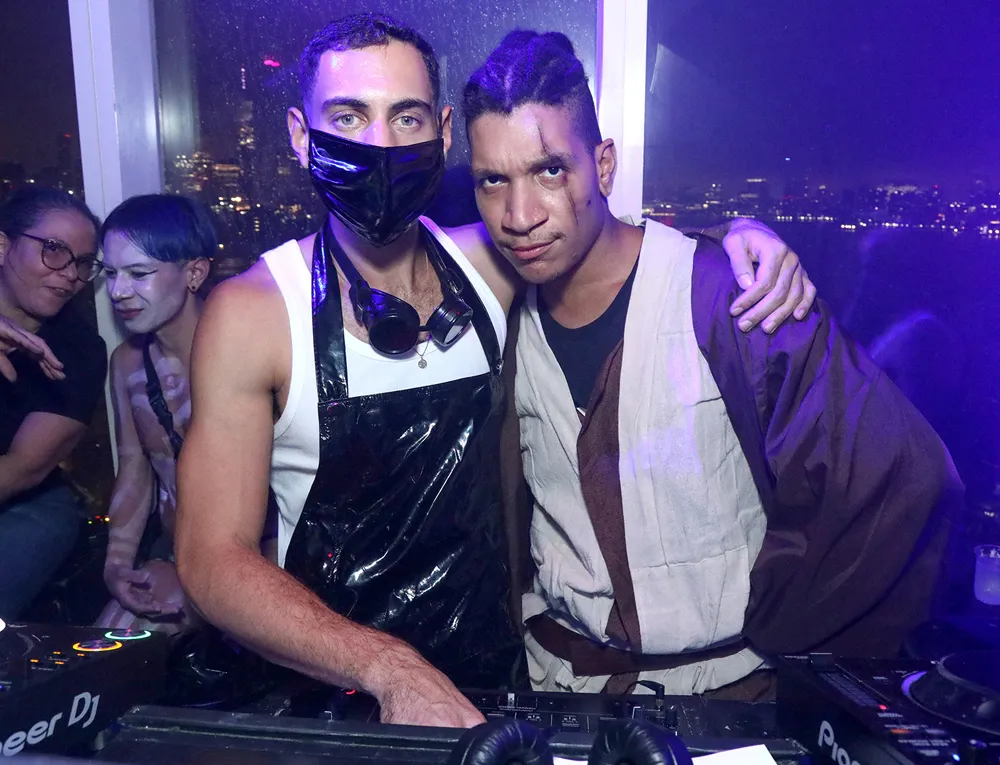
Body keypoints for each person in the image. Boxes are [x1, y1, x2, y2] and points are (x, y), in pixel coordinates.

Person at [175, 13, 814, 728]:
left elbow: (601, 240)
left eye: (406, 117)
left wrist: (732, 241)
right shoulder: (254, 313)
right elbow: (210, 559)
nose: (380, 145)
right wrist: (387, 669)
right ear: (301, 135)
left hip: (503, 684)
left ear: (443, 132)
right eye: (348, 117)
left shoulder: (491, 265)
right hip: (338, 696)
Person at [463, 31, 962, 698]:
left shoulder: (727, 295)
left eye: (550, 170)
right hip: (558, 689)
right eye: (492, 180)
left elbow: (904, 477)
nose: (519, 214)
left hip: (730, 694)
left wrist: (786, 638)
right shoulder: (498, 311)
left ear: (603, 167)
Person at [95, 194, 217, 633]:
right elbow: (136, 466)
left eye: (139, 273)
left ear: (194, 274)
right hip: (174, 553)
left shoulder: (243, 350)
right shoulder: (127, 363)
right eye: (110, 273)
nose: (118, 291)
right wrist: (117, 566)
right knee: (102, 650)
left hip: (262, 560)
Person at [0, 187, 107, 620]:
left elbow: (22, 469)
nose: (70, 275)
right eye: (54, 250)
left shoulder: (79, 351)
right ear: (2, 246)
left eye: (83, 263)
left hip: (27, 505)